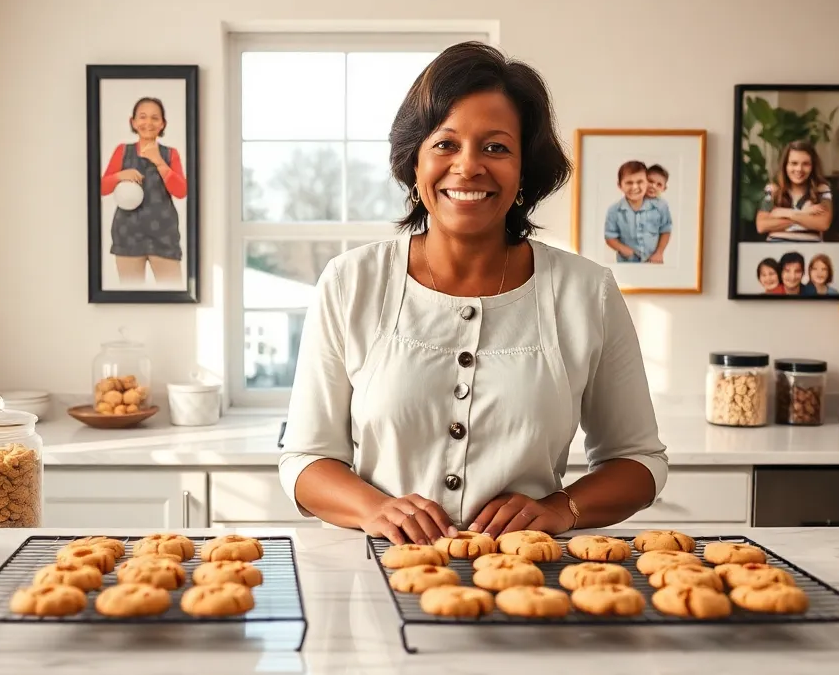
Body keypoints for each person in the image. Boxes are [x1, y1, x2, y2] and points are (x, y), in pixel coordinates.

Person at [278, 41, 668, 545]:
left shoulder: (586, 292)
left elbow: (639, 461)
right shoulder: (350, 282)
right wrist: (375, 509)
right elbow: (306, 459)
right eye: (445, 144)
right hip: (378, 580)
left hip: (530, 585)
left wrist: (561, 509)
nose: (468, 166)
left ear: (524, 171)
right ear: (413, 165)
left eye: (496, 147)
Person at [100, 97, 188, 285]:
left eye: (155, 118)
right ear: (133, 122)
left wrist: (159, 162)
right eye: (142, 117)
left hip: (164, 234)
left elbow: (181, 191)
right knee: (131, 296)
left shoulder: (170, 154)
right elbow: (102, 187)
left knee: (173, 295)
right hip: (127, 233)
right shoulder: (122, 151)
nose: (148, 123)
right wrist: (120, 175)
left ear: (163, 124)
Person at [755, 141, 833, 242]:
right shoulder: (772, 189)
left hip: (811, 250)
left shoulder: (822, 190)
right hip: (775, 249)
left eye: (806, 164)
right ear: (785, 165)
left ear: (813, 166)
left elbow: (823, 224)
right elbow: (762, 226)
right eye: (794, 163)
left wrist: (781, 213)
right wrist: (804, 214)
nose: (799, 169)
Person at [603, 161, 673, 264]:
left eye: (640, 182)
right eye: (629, 183)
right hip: (626, 264)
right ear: (619, 185)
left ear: (646, 182)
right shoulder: (614, 210)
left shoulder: (660, 206)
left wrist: (659, 253)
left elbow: (665, 230)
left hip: (653, 263)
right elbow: (610, 236)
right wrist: (623, 249)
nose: (635, 187)